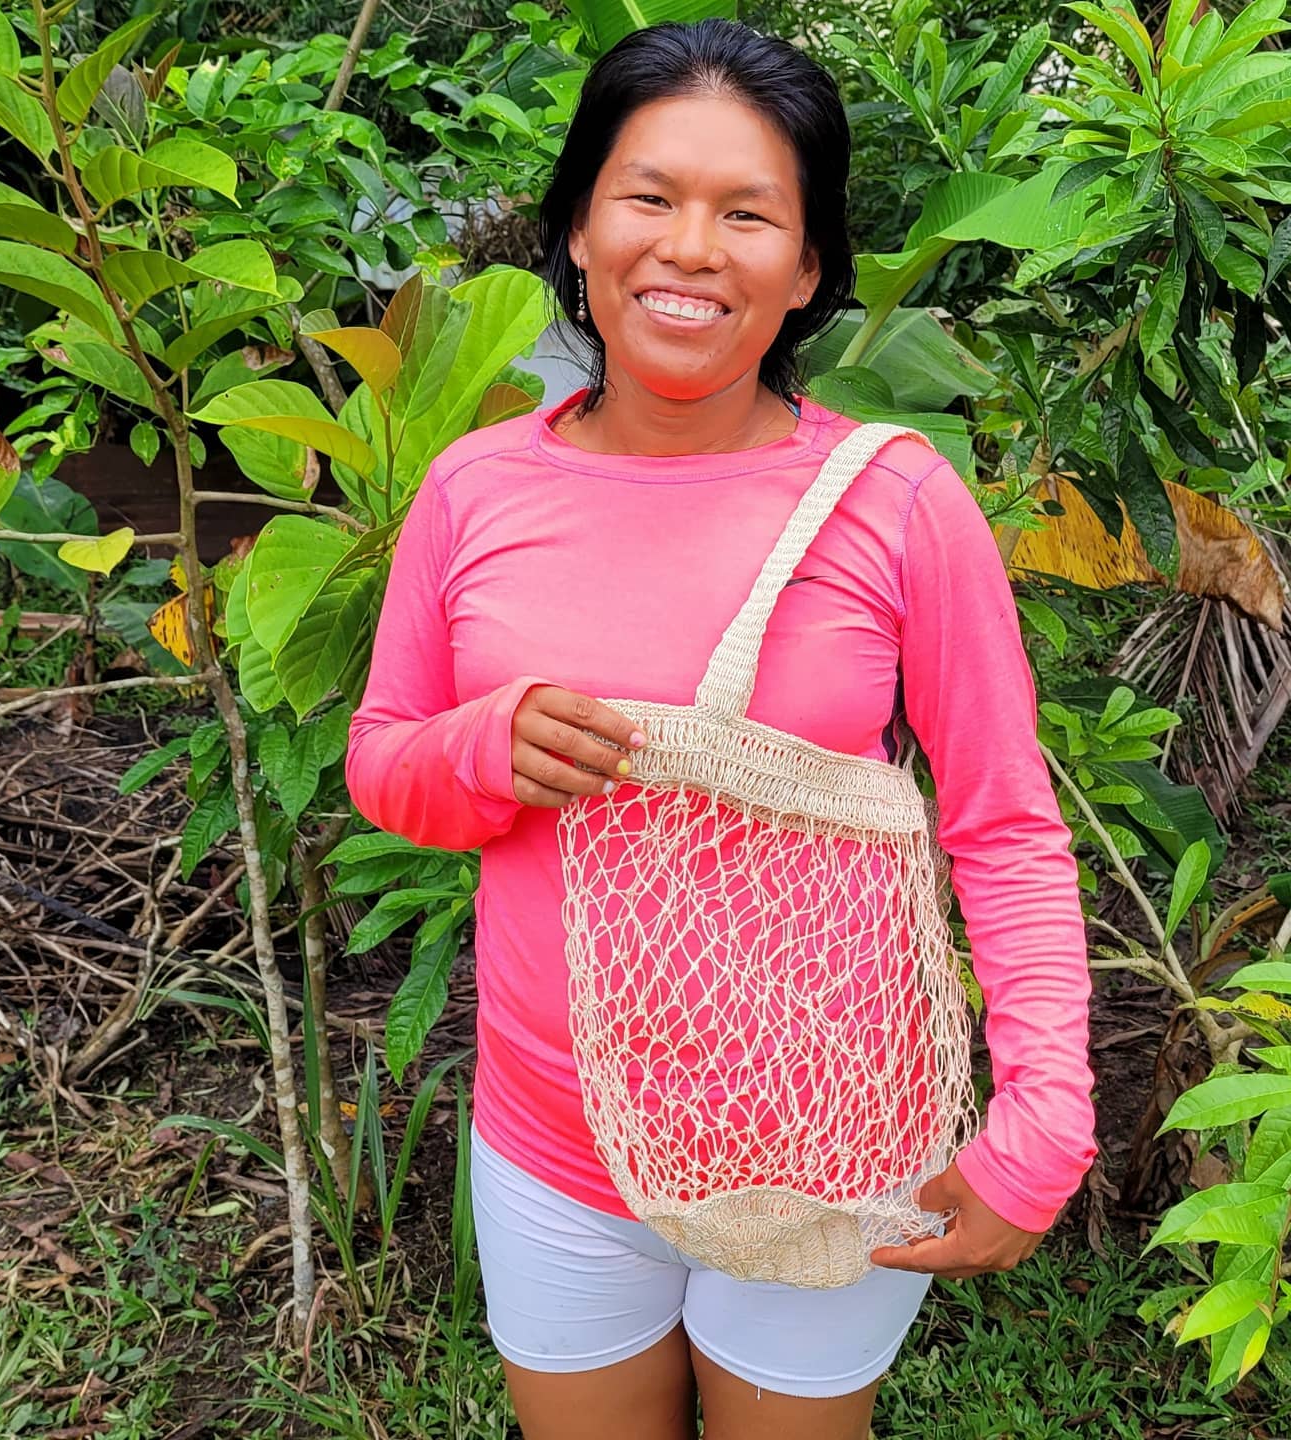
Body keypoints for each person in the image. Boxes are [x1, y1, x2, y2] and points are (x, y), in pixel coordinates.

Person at [344, 18, 1097, 1440]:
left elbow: (1001, 821)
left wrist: (1045, 1118)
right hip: (553, 1146)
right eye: (649, 197)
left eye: (748, 213)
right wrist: (477, 749)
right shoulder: (472, 488)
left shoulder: (898, 498)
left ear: (807, 268)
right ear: (577, 228)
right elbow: (385, 760)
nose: (690, 247)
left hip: (835, 1138)